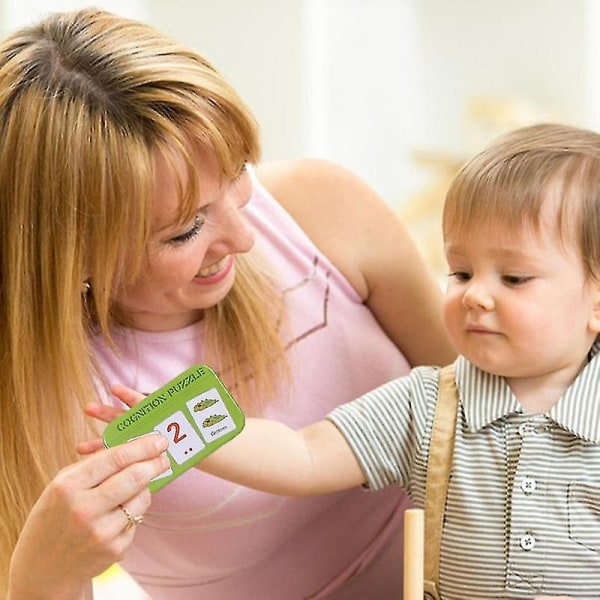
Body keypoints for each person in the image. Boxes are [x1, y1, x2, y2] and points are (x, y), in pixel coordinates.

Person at [1, 8, 456, 600]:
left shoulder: (321, 207)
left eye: (239, 173)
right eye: (185, 229)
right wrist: (47, 574)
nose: (245, 237)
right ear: (72, 256)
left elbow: (481, 395)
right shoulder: (40, 394)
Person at [90, 122, 600, 600]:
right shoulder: (429, 405)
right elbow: (303, 455)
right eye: (461, 273)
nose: (475, 296)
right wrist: (177, 428)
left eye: (513, 279)